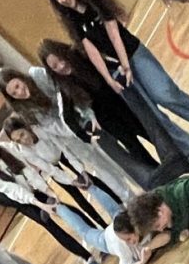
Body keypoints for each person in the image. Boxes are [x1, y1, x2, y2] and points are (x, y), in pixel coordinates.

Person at [45, 0, 189, 149]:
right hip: (117, 70)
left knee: (165, 94)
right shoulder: (72, 21)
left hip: (133, 53)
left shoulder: (93, 0)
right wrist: (109, 79)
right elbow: (92, 52)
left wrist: (126, 64)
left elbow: (115, 35)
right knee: (154, 115)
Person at [28, 46, 166, 185]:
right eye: (55, 66)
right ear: (52, 71)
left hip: (123, 106)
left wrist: (118, 67)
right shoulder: (64, 88)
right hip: (108, 121)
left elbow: (103, 63)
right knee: (135, 147)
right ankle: (163, 176)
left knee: (150, 133)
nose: (61, 66)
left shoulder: (82, 59)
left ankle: (173, 160)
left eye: (60, 60)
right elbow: (67, 119)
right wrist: (87, 137)